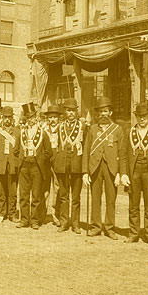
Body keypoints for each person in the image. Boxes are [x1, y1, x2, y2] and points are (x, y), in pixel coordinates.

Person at [121, 103, 148, 245]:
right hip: (133, 172)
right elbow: (123, 155)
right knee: (133, 205)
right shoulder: (129, 131)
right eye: (139, 116)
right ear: (136, 117)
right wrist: (123, 174)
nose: (142, 119)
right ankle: (133, 233)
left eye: (144, 116)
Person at [82, 97, 126, 239]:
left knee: (111, 199)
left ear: (110, 112)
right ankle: (96, 226)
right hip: (95, 167)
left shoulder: (118, 130)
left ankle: (109, 227)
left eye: (106, 111)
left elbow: (122, 152)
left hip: (111, 169)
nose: (103, 114)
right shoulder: (92, 130)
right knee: (96, 199)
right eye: (101, 111)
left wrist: (120, 172)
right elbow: (86, 151)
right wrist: (85, 172)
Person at [53, 99, 86, 234]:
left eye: (73, 110)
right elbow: (55, 147)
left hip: (77, 166)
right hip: (62, 166)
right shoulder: (59, 127)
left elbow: (86, 147)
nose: (71, 113)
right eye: (68, 110)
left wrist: (85, 169)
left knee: (76, 197)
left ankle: (75, 223)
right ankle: (64, 222)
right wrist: (57, 163)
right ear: (65, 111)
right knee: (63, 196)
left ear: (76, 111)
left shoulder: (83, 126)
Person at [18, 103, 51, 229]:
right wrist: (22, 159)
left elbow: (48, 152)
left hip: (37, 167)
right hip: (24, 167)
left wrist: (39, 158)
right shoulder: (22, 132)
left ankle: (35, 220)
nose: (30, 119)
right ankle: (24, 219)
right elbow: (16, 150)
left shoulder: (43, 133)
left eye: (32, 116)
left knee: (36, 195)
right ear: (25, 118)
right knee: (24, 195)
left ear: (36, 117)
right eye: (28, 117)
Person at [0, 105, 21, 223]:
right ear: (2, 118)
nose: (7, 120)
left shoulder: (17, 132)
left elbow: (19, 150)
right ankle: (1, 213)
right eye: (5, 117)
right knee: (1, 191)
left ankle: (12, 213)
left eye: (9, 117)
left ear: (12, 118)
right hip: (1, 165)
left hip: (13, 165)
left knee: (12, 191)